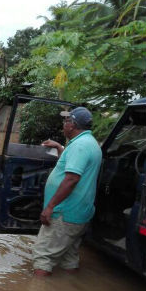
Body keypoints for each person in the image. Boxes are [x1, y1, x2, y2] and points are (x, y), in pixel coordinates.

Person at [33, 106, 102, 277]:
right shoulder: (88, 143)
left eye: (66, 120)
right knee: (68, 258)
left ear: (72, 124)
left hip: (64, 213)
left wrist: (50, 207)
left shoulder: (80, 146)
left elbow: (72, 179)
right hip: (79, 213)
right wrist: (59, 147)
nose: (63, 124)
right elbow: (74, 164)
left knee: (43, 257)